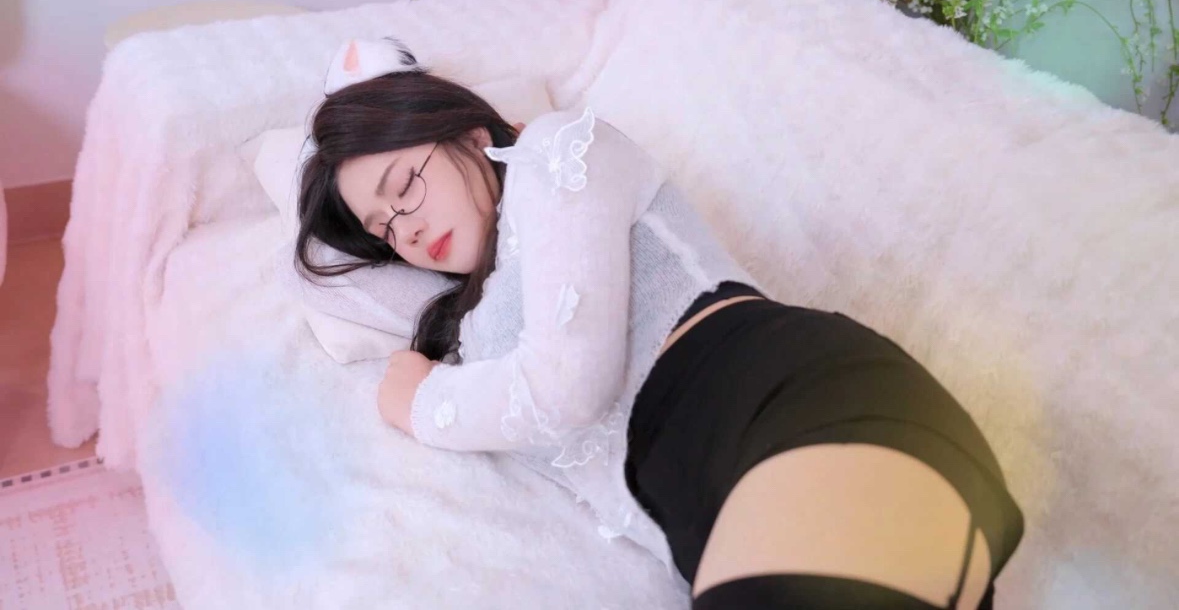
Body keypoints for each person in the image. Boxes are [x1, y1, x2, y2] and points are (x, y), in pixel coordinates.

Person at [294, 39, 1024, 609]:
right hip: (706, 519)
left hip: (785, 408)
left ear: (470, 133)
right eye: (383, 229)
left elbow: (567, 386)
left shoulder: (559, 151)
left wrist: (418, 402)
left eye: (404, 186)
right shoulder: (471, 326)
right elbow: (326, 286)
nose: (406, 228)